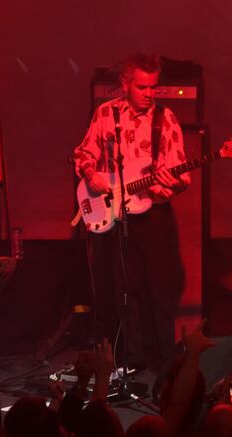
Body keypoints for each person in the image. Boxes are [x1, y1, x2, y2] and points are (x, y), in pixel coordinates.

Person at [72, 53, 190, 392]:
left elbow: (180, 176)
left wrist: (167, 183)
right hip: (112, 213)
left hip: (153, 215)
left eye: (154, 87)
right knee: (118, 289)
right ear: (125, 84)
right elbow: (83, 153)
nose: (149, 93)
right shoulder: (106, 114)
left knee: (158, 289)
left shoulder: (165, 120)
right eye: (142, 86)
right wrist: (92, 175)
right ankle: (124, 357)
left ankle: (162, 360)